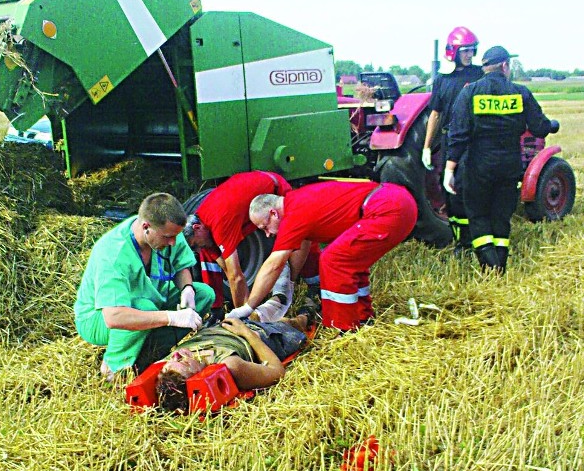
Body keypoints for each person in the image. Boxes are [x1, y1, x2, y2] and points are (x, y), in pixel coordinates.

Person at [226, 180, 418, 331]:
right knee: (350, 258)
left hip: (388, 208)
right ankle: (362, 316)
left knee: (334, 261)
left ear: (274, 213)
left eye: (265, 227)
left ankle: (343, 328)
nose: (267, 233)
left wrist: (248, 307)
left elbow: (273, 265)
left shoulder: (294, 216)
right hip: (396, 200)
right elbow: (304, 248)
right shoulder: (298, 200)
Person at [74, 193, 215, 381]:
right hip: (97, 318)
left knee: (204, 294)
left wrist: (187, 288)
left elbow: (181, 264)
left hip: (147, 297)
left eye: (176, 236)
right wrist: (171, 317)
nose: (173, 242)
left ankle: (148, 353)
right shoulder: (113, 253)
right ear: (146, 227)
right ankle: (113, 369)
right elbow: (114, 316)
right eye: (168, 237)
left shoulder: (168, 231)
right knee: (144, 306)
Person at [444, 46, 559, 273]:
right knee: (501, 216)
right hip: (510, 165)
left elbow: (457, 134)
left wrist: (449, 169)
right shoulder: (521, 93)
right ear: (505, 66)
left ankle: (490, 267)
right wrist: (552, 125)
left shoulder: (470, 93)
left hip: (479, 165)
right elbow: (539, 127)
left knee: (478, 215)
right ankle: (500, 265)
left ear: (485, 68)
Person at [183, 171, 321, 316]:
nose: (198, 251)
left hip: (272, 187)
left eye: (194, 245)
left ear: (197, 228)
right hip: (245, 188)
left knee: (297, 236)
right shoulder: (202, 229)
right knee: (213, 257)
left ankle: (295, 286)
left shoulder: (219, 224)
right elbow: (227, 271)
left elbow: (236, 277)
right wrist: (218, 309)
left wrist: (241, 316)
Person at [155, 311, 312, 413]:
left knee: (255, 313)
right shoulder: (229, 364)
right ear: (197, 376)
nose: (176, 355)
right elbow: (277, 372)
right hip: (254, 333)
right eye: (184, 362)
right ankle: (307, 313)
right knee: (292, 324)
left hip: (217, 326)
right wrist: (246, 333)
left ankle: (260, 313)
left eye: (171, 360)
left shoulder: (169, 367)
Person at [422, 26, 483, 254]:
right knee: (452, 193)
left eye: (472, 50)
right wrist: (427, 146)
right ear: (454, 52)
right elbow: (435, 114)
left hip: (475, 141)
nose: (469, 55)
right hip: (451, 141)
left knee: (473, 190)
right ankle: (461, 242)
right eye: (465, 51)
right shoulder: (442, 81)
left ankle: (477, 240)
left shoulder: (480, 75)